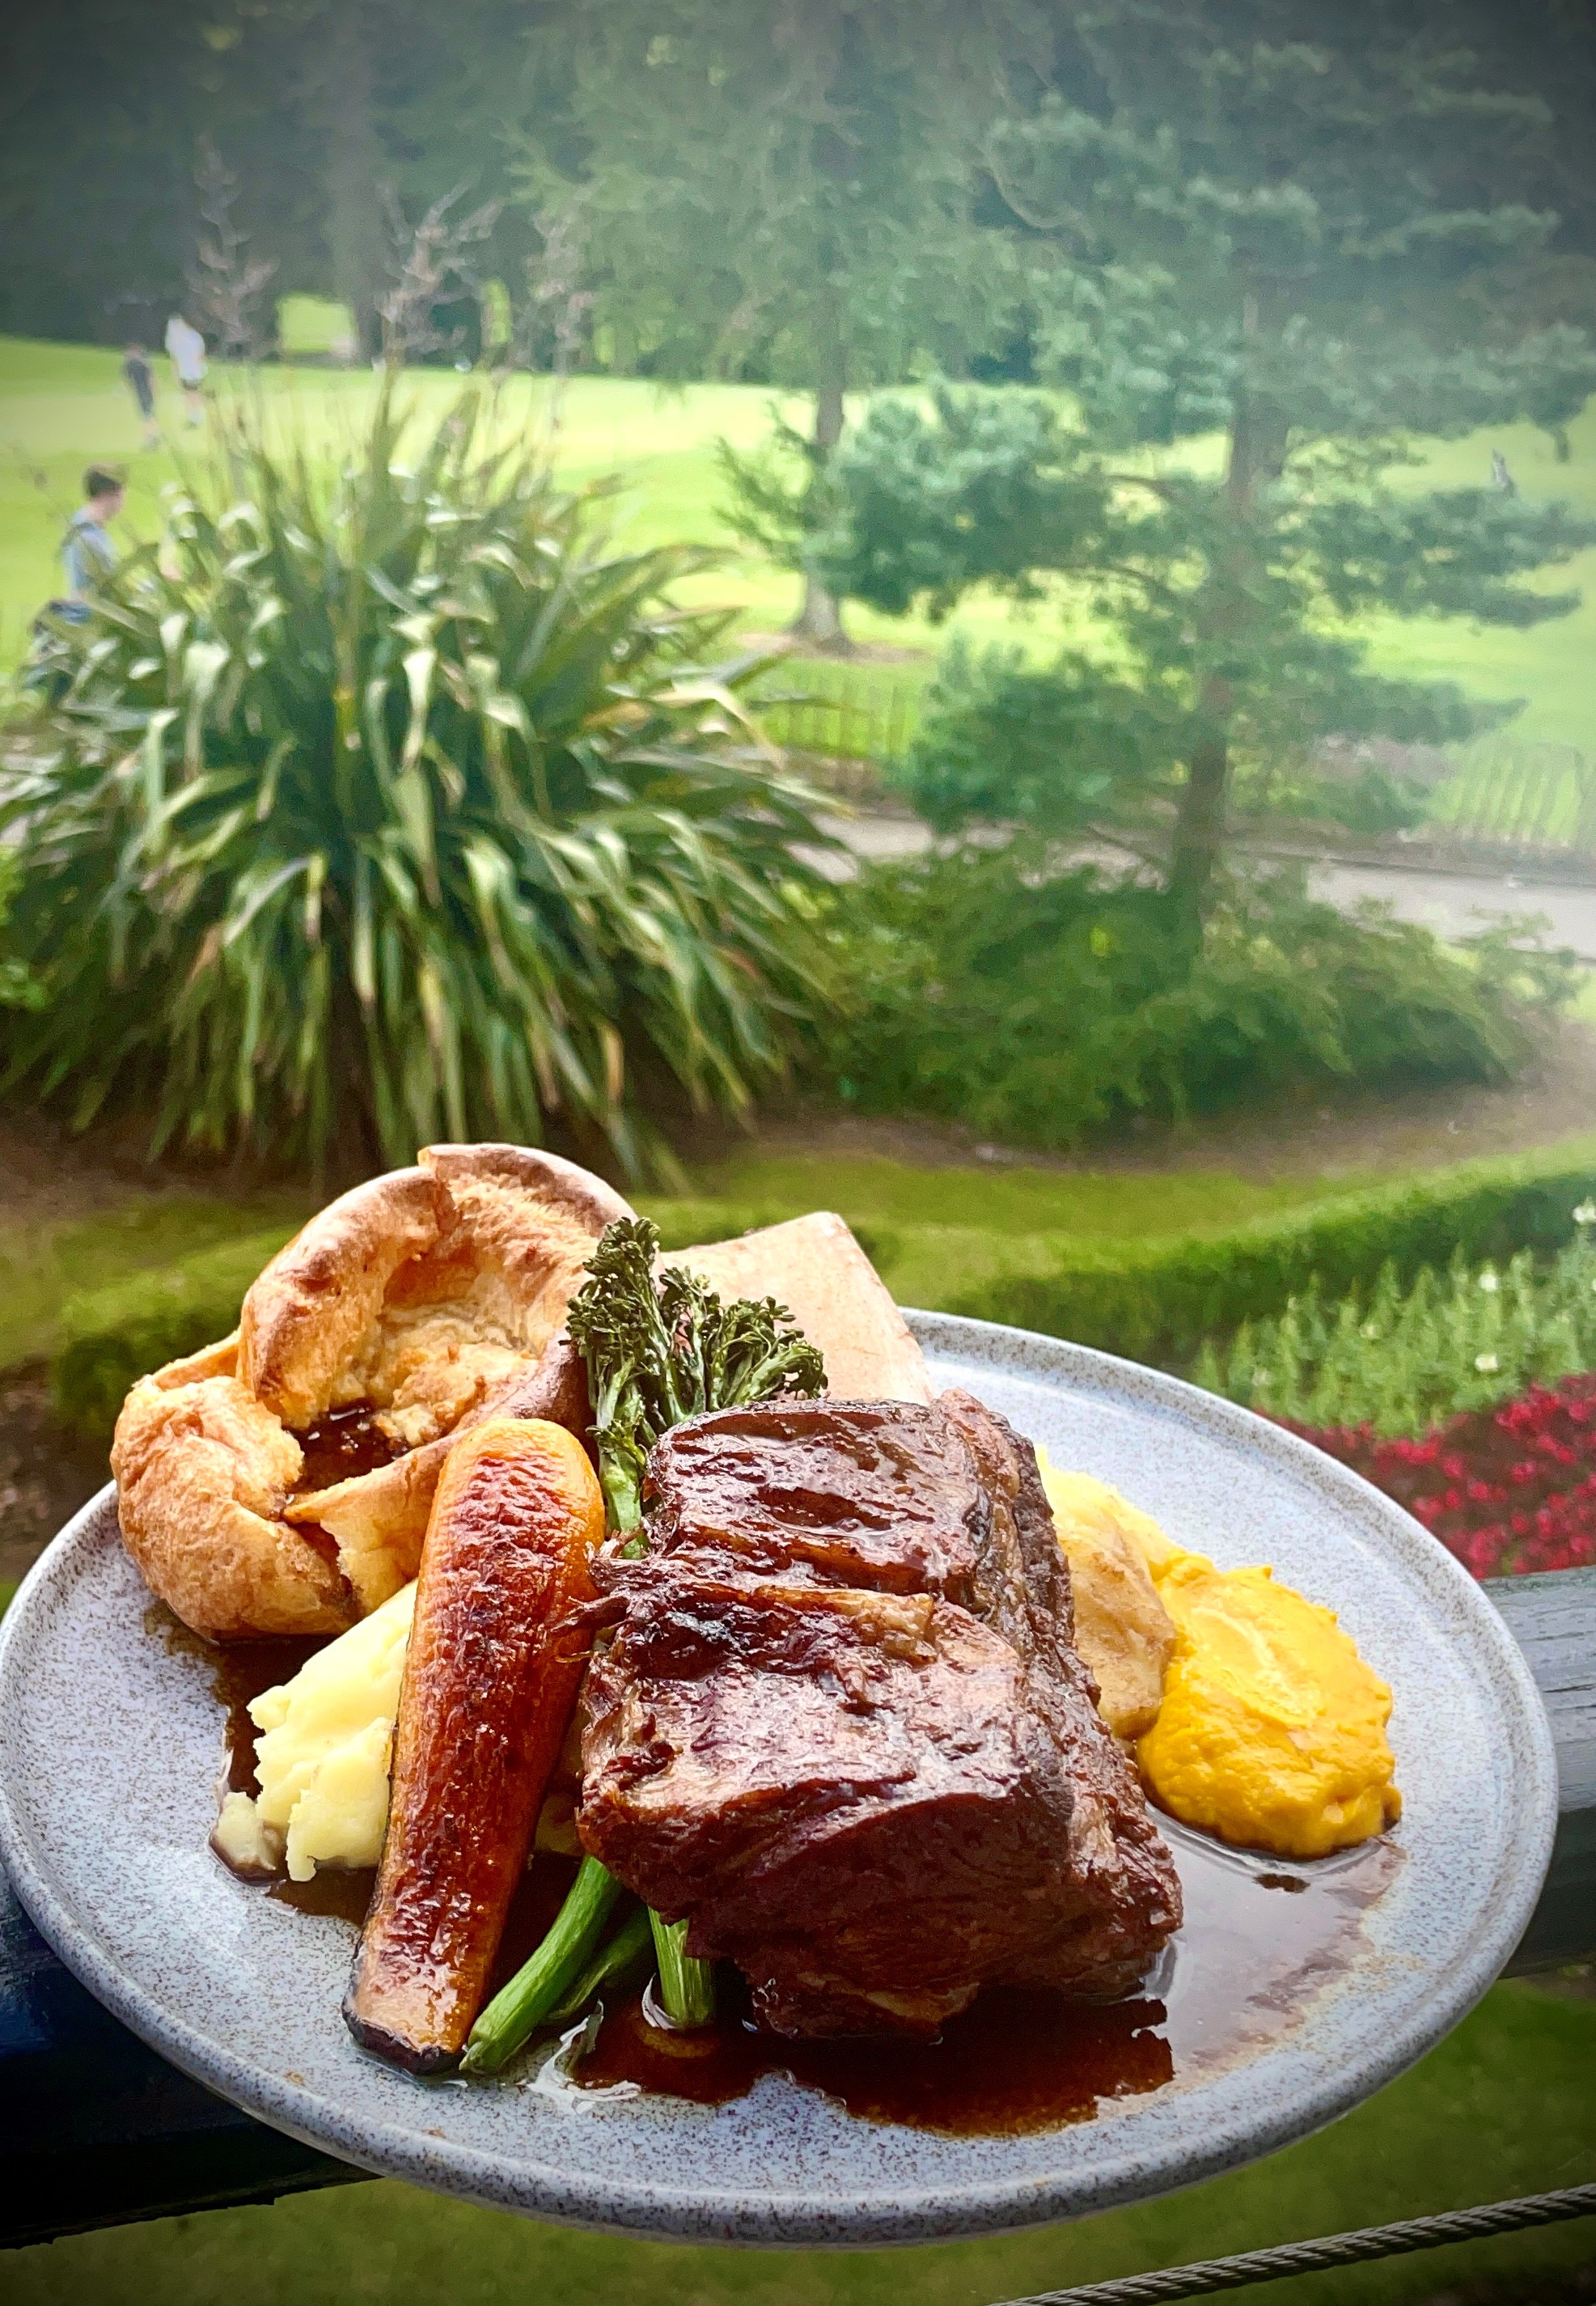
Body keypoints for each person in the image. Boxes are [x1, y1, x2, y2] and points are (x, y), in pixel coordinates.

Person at [59, 465, 125, 621]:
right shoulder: (88, 537)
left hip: (84, 610)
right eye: (121, 495)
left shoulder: (80, 521)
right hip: (91, 617)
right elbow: (112, 584)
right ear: (107, 495)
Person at [164, 312, 207, 424]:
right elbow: (174, 359)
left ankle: (196, 415)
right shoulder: (173, 340)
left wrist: (197, 369)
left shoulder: (193, 337)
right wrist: (176, 374)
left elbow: (199, 355)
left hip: (193, 372)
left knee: (193, 393)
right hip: (185, 372)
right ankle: (193, 416)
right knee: (189, 394)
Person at [121, 343, 159, 446]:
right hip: (146, 393)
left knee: (145, 416)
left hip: (141, 393)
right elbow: (152, 379)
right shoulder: (145, 363)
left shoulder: (130, 364)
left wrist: (130, 390)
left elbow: (128, 380)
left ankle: (149, 438)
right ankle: (155, 435)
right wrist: (154, 393)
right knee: (149, 415)